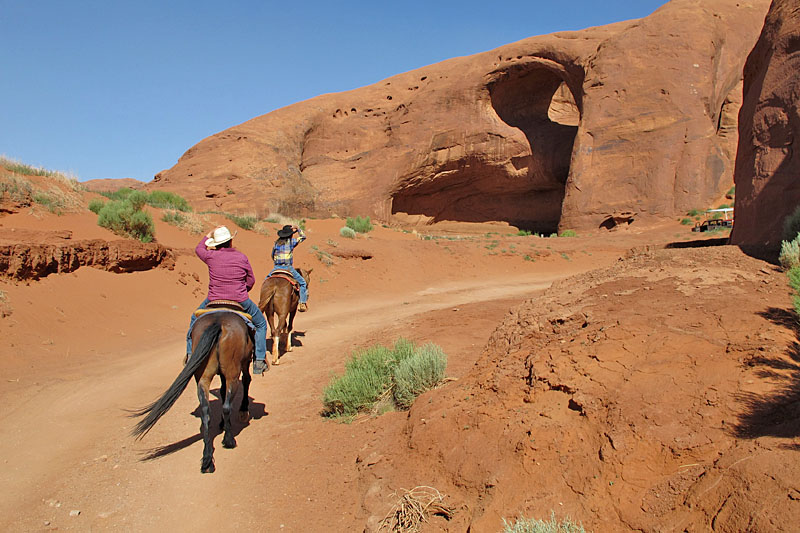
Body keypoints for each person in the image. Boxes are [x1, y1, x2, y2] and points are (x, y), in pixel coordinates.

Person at [186, 225, 269, 375]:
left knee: (194, 320)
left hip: (214, 299)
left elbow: (199, 249)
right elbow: (251, 280)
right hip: (240, 299)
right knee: (261, 324)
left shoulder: (211, 256)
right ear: (230, 242)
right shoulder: (242, 257)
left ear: (216, 244)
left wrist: (208, 234)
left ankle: (191, 355)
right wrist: (242, 290)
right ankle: (259, 360)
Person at [269, 224, 308, 311]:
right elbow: (303, 237)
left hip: (276, 268)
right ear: (290, 235)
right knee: (302, 283)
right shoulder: (291, 242)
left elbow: (272, 255)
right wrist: (298, 229)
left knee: (266, 281)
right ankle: (302, 303)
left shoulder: (276, 243)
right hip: (287, 267)